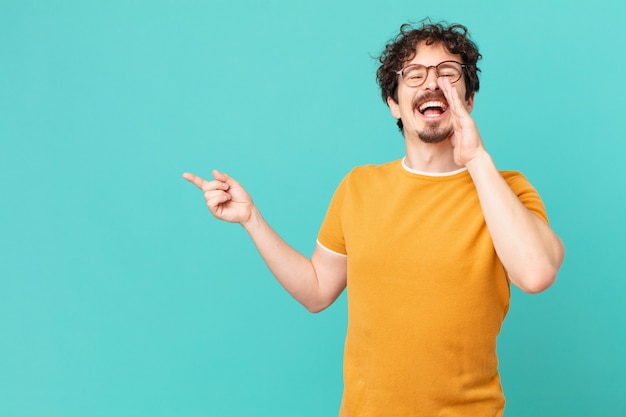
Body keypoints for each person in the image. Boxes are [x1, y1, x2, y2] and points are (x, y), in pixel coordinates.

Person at [183, 20, 564, 417]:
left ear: (467, 100)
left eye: (448, 73)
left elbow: (536, 273)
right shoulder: (358, 187)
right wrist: (251, 219)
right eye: (415, 74)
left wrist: (476, 159)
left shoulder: (506, 189)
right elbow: (316, 291)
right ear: (394, 103)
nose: (432, 83)